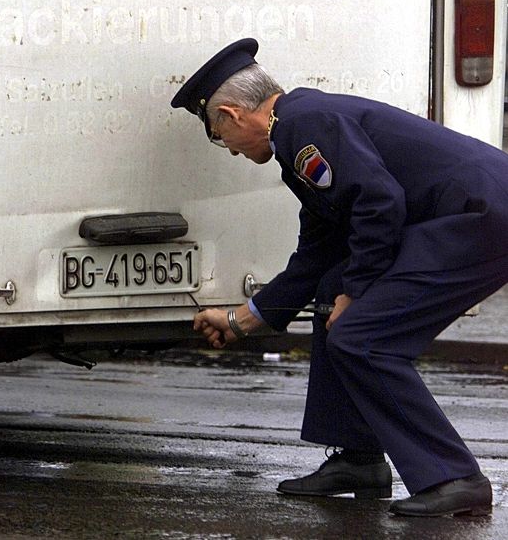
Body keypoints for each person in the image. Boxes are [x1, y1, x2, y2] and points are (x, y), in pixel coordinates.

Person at [171, 38, 508, 517]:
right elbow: (322, 246)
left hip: (477, 217)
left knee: (363, 337)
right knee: (332, 288)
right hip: (473, 212)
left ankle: (453, 476)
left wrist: (360, 290)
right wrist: (246, 317)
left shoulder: (304, 127)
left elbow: (379, 203)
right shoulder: (299, 129)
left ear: (232, 113)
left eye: (217, 133)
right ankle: (359, 457)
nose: (226, 148)